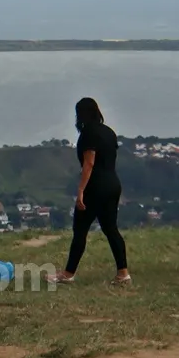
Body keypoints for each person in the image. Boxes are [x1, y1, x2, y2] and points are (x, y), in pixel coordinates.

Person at [52, 97, 130, 286]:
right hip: (113, 184)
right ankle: (123, 273)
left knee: (80, 230)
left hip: (95, 186)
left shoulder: (88, 134)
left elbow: (89, 163)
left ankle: (68, 273)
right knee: (111, 229)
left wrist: (80, 191)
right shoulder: (109, 132)